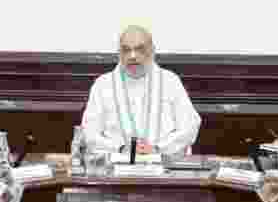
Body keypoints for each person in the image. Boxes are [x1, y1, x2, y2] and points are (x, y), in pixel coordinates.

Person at [81, 25, 201, 154]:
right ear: (119, 53)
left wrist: (157, 148)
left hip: (163, 163)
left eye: (139, 49)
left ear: (152, 50)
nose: (132, 56)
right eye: (126, 50)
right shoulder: (103, 85)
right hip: (116, 164)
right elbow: (89, 132)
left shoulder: (170, 81)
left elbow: (190, 126)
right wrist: (120, 148)